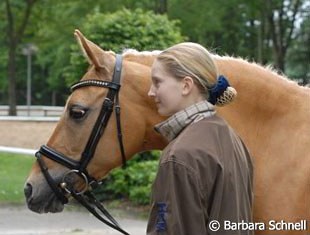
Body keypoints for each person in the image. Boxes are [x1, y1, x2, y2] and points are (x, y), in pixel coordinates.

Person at [147, 42, 254, 235]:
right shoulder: (233, 139)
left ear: (186, 85)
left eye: (157, 82)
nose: (151, 91)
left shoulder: (179, 156)